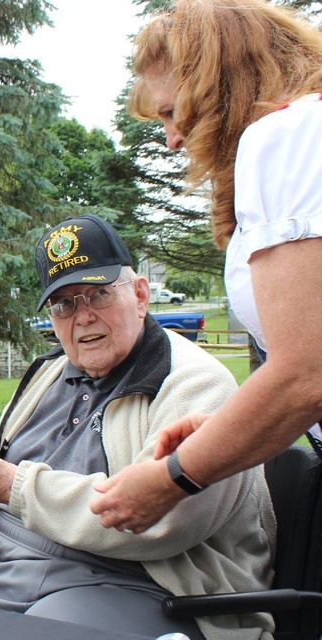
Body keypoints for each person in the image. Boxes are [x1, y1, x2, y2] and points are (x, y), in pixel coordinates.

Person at [0, 214, 277, 640]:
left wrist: (12, 487)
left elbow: (163, 520)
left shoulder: (194, 384)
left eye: (98, 293)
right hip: (5, 574)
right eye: (64, 304)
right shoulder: (49, 373)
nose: (84, 316)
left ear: (140, 295)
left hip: (146, 585)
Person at [89, 0, 322, 538]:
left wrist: (170, 479)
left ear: (215, 83)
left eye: (172, 112)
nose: (171, 138)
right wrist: (233, 429)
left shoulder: (286, 135)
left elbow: (305, 374)